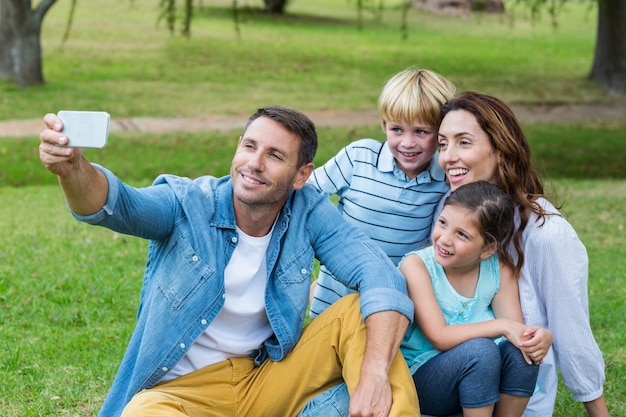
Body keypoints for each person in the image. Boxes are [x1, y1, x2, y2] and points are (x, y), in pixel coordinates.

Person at [38, 105, 419, 417]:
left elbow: (380, 275)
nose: (254, 163)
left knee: (360, 314)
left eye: (274, 155)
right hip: (178, 396)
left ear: (302, 174)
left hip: (263, 379)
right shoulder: (190, 203)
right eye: (249, 146)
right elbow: (119, 206)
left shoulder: (308, 211)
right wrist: (73, 171)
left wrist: (372, 376)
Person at [436, 91, 610, 417]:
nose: (447, 157)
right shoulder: (448, 209)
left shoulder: (546, 233)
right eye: (443, 144)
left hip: (514, 397)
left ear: (501, 150)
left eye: (464, 142)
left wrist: (599, 412)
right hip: (447, 381)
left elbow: (571, 329)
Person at [309, 67, 455, 318]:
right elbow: (306, 195)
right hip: (335, 300)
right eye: (397, 129)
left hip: (392, 305)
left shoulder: (445, 179)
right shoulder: (359, 158)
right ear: (384, 125)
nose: (407, 143)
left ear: (441, 132)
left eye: (421, 131)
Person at [400, 180, 547, 417]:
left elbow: (516, 331)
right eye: (443, 223)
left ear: (488, 249)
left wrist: (536, 339)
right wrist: (502, 326)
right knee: (481, 350)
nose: (445, 239)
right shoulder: (417, 267)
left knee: (521, 350)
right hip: (424, 380)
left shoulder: (498, 270)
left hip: (480, 377)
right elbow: (439, 337)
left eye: (462, 234)